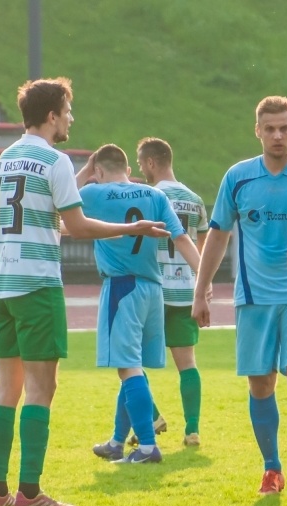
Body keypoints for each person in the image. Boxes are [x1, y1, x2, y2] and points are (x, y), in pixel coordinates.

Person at [0, 77, 169, 506]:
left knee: (5, 390)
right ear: (52, 115)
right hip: (36, 284)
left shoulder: (7, 158)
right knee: (41, 388)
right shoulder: (54, 160)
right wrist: (132, 227)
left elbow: (51, 220)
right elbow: (80, 226)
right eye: (68, 110)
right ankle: (29, 493)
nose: (71, 118)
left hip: (1, 282)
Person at [192, 96, 287, 499]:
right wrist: (201, 291)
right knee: (260, 384)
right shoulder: (239, 177)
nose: (278, 135)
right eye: (270, 128)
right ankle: (272, 469)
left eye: (284, 127)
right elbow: (217, 234)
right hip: (253, 299)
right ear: (258, 131)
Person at [80, 144, 202, 464]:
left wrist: (87, 170)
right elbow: (182, 239)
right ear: (128, 170)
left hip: (122, 286)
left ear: (100, 170)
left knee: (127, 367)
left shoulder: (95, 193)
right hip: (153, 288)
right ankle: (118, 441)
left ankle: (147, 446)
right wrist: (202, 277)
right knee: (134, 365)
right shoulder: (154, 195)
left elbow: (60, 196)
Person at [135, 136, 208, 447]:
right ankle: (192, 429)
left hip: (154, 287)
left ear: (151, 162)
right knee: (187, 362)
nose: (140, 169)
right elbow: (201, 248)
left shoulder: (149, 196)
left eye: (141, 164)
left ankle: (151, 418)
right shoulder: (195, 200)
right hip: (186, 290)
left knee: (130, 361)